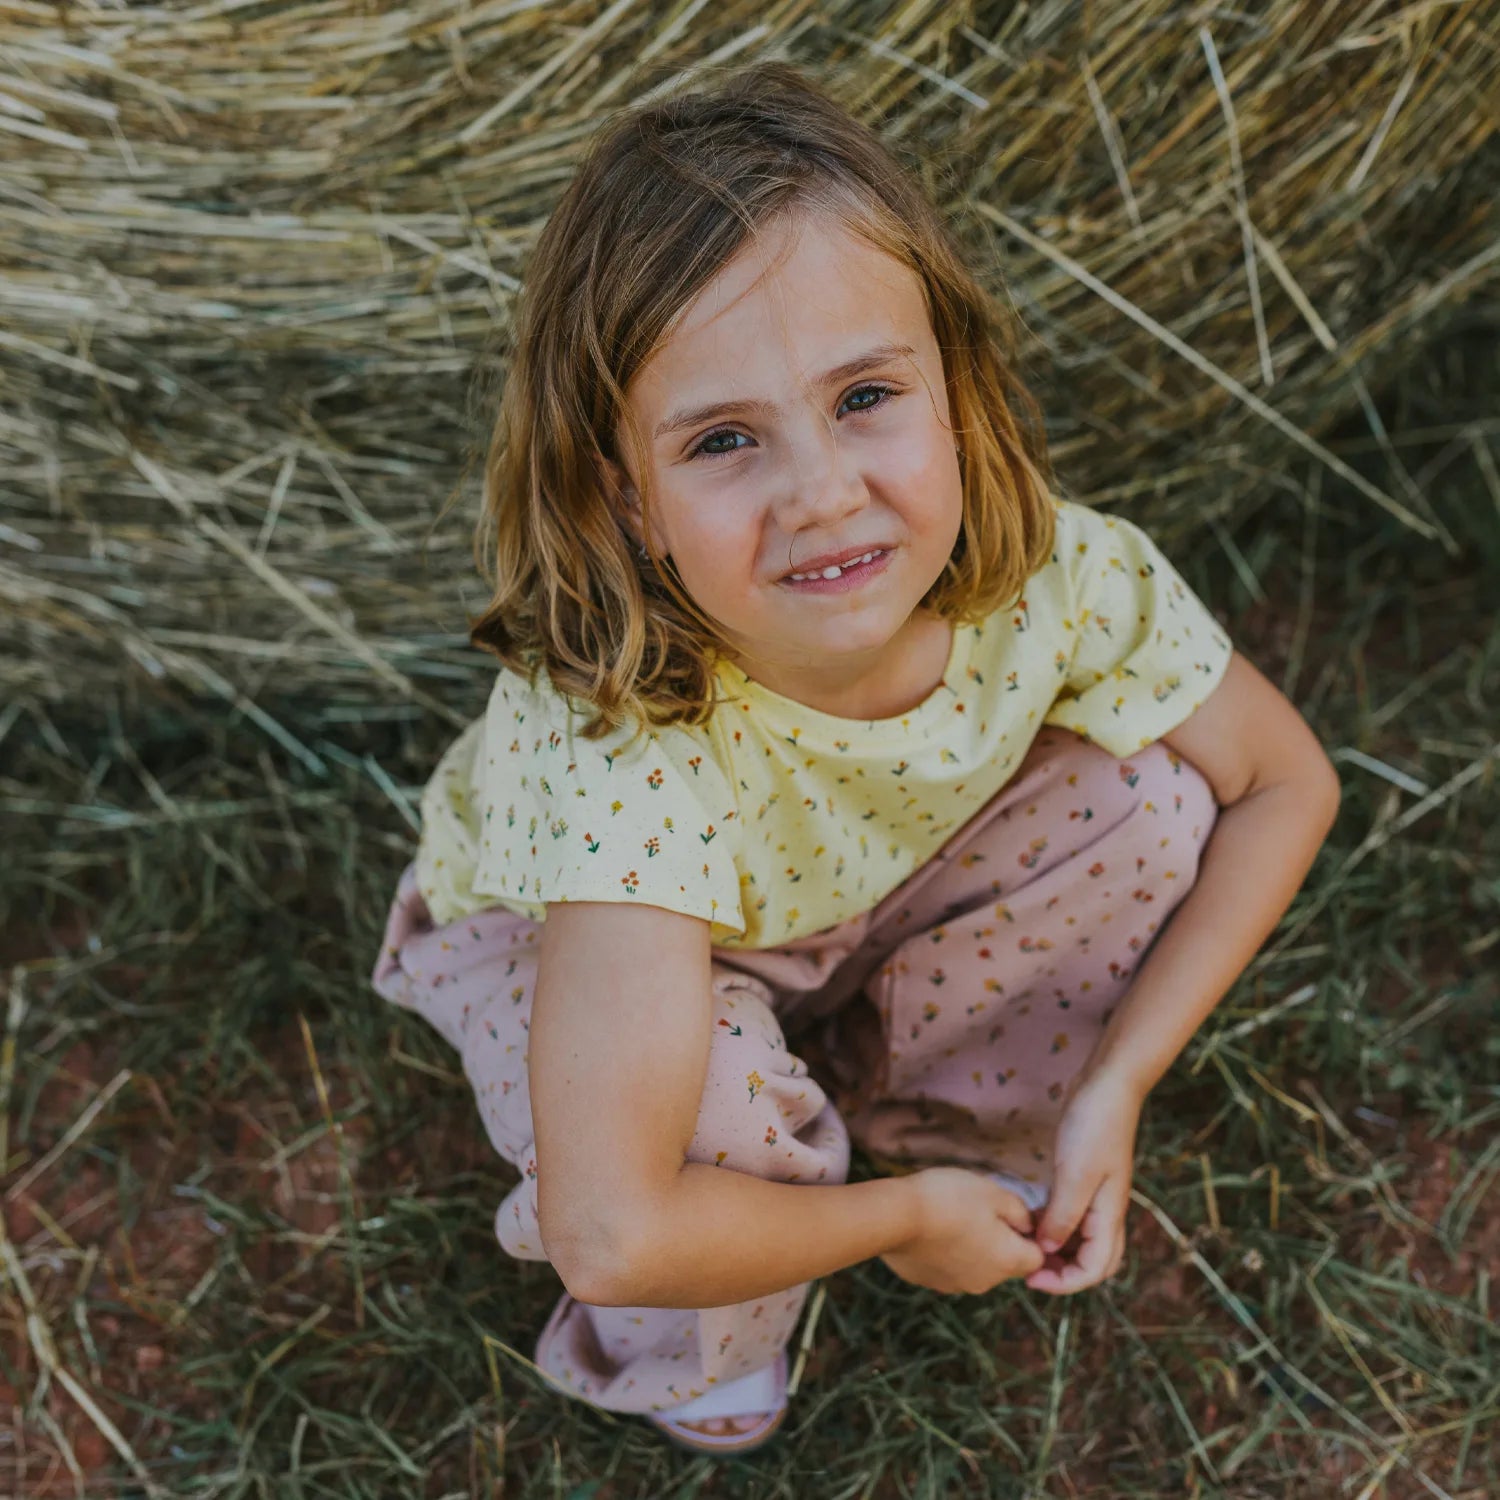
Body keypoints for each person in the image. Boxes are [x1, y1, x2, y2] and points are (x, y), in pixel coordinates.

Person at [371, 61, 1342, 1456]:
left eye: (866, 396)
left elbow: (1284, 783)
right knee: (693, 1104)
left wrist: (1119, 1082)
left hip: (857, 872)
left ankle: (940, 1108)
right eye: (723, 440)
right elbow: (610, 1230)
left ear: (957, 393)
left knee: (1149, 802)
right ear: (626, 503)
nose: (822, 493)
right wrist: (896, 1226)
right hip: (582, 941)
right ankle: (728, 1314)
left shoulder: (1060, 579)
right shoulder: (621, 745)